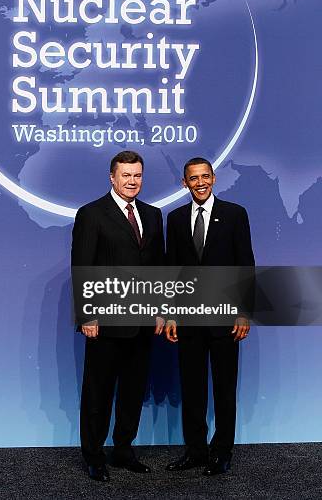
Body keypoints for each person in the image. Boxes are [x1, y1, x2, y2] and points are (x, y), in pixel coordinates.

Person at [71, 150, 165, 482]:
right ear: (112, 177)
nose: (132, 181)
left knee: (132, 390)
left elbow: (157, 269)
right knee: (98, 391)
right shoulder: (92, 214)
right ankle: (94, 456)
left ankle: (123, 449)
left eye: (137, 175)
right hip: (105, 321)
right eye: (126, 175)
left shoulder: (153, 215)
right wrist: (88, 316)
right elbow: (82, 266)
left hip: (141, 321)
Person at [165, 157, 255, 476]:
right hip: (188, 320)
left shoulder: (234, 214)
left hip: (225, 320)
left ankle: (222, 451)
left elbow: (245, 264)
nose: (200, 182)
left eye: (205, 176)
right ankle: (196, 451)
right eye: (193, 178)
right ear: (184, 183)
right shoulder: (175, 219)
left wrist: (244, 312)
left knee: (223, 388)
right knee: (192, 389)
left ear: (214, 179)